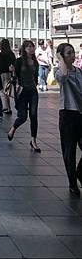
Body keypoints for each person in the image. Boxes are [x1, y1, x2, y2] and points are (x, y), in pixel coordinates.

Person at [55, 43, 82, 197]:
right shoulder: (59, 71)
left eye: (73, 52)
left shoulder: (79, 71)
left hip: (80, 114)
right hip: (68, 115)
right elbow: (64, 75)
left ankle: (79, 172)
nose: (73, 55)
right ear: (63, 56)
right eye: (69, 53)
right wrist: (59, 59)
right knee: (69, 151)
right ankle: (72, 183)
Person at [7, 40, 41, 152]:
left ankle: (33, 140)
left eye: (32, 46)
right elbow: (14, 76)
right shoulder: (19, 61)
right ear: (24, 49)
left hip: (33, 92)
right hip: (22, 92)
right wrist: (12, 71)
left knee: (34, 115)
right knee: (23, 116)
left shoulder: (35, 62)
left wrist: (34, 85)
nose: (31, 48)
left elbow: (36, 77)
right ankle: (13, 128)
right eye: (28, 47)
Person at [0, 38, 16, 115]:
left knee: (5, 91)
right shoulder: (11, 54)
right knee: (8, 90)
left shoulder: (1, 54)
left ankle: (7, 107)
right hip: (10, 74)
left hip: (3, 74)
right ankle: (7, 107)